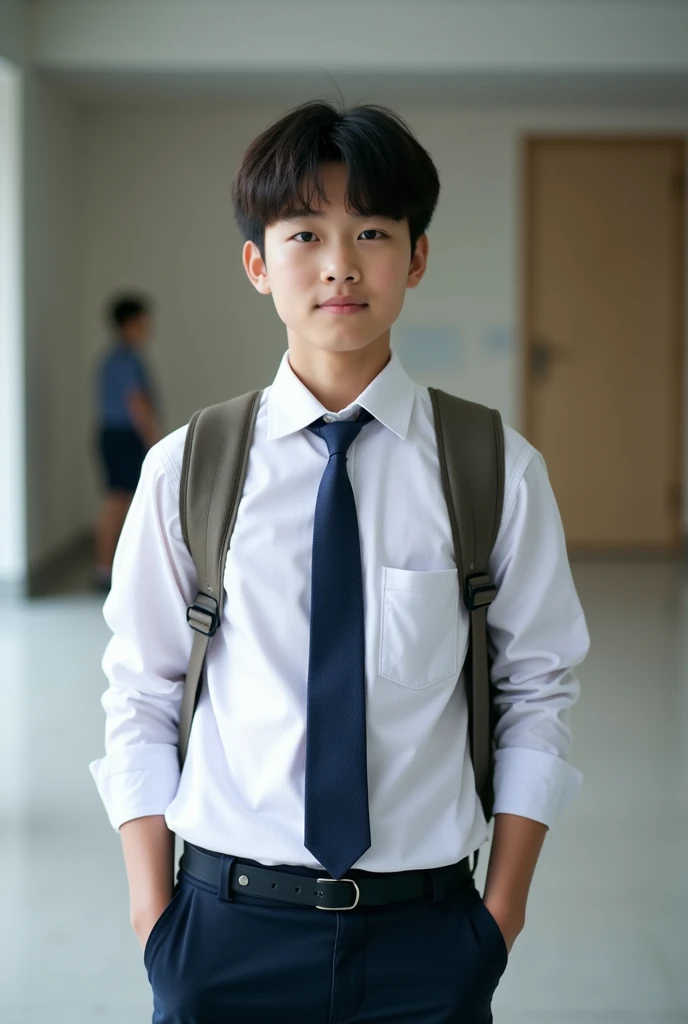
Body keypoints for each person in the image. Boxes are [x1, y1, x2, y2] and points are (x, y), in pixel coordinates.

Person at [89, 102, 590, 1023]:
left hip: (429, 937)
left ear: (418, 255)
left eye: (371, 231)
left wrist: (501, 916)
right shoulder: (189, 468)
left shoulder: (492, 467)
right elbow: (143, 691)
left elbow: (538, 686)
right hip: (224, 929)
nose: (339, 264)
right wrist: (153, 914)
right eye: (304, 233)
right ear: (257, 263)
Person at [94, 294, 162, 591]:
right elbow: (137, 404)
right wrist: (155, 441)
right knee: (119, 501)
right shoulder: (125, 360)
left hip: (114, 434)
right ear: (130, 323)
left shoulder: (115, 358)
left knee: (121, 500)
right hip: (124, 437)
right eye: (143, 321)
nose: (148, 327)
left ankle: (108, 568)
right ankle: (104, 570)